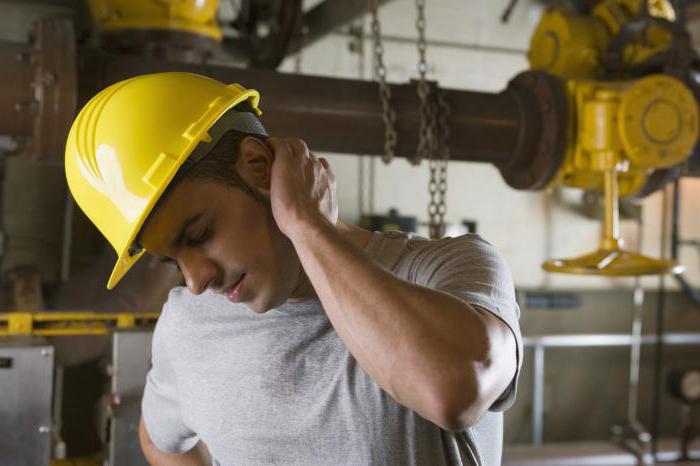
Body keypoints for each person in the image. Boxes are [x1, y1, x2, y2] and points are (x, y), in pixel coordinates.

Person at [65, 72, 522, 466]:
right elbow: (158, 439)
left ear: (259, 168)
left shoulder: (447, 269)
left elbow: (452, 389)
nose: (196, 280)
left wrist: (307, 225)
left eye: (200, 234)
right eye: (172, 260)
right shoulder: (187, 325)